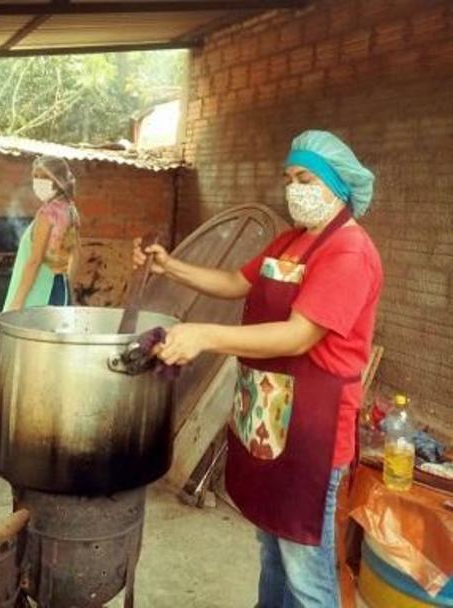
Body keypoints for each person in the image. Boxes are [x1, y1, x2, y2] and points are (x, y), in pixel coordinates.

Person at [133, 131, 383, 607]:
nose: (294, 188)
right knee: (271, 549)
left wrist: (204, 336)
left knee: (304, 570)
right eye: (289, 178)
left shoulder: (348, 252)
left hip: (312, 430)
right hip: (268, 416)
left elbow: (298, 335)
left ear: (336, 183)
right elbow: (234, 282)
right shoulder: (291, 240)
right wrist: (171, 267)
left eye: (305, 178)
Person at [4, 155, 80, 311]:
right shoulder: (70, 210)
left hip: (40, 291)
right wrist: (68, 288)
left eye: (45, 176)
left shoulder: (48, 213)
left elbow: (35, 261)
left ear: (58, 179)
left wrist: (17, 301)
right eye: (35, 176)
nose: (38, 181)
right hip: (59, 286)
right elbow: (76, 255)